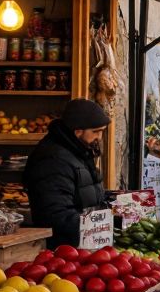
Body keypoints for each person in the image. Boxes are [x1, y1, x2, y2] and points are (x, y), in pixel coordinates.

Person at [24, 99, 111, 249]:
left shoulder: (78, 150)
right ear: (77, 131)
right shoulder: (52, 160)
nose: (99, 137)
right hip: (64, 251)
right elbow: (56, 215)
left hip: (84, 245)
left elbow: (88, 195)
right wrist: (103, 226)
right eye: (96, 131)